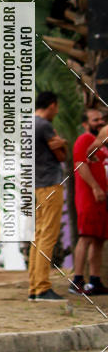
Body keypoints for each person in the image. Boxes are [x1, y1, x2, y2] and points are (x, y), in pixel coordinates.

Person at [27, 91, 67, 301]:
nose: (57, 112)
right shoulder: (44, 125)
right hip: (50, 183)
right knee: (48, 236)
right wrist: (63, 143)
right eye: (56, 107)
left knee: (39, 235)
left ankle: (35, 286)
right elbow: (61, 155)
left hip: (37, 185)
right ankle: (42, 287)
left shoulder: (28, 124)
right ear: (52, 105)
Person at [71, 108, 108, 296]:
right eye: (95, 120)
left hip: (102, 199)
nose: (100, 122)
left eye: (101, 119)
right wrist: (95, 187)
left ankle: (95, 280)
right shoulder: (84, 139)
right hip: (89, 197)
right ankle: (77, 280)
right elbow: (80, 164)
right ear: (85, 124)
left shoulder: (100, 144)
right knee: (85, 237)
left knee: (99, 238)